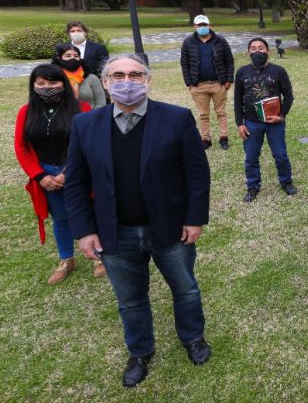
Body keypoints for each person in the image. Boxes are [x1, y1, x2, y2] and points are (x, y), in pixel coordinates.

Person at [64, 53, 212, 388]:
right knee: (130, 299)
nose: (126, 82)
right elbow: (76, 182)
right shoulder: (85, 125)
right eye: (118, 76)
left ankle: (192, 337)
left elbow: (197, 174)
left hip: (170, 228)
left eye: (135, 75)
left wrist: (194, 218)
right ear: (104, 82)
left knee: (186, 289)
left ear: (148, 80)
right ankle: (140, 351)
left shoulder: (176, 118)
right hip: (116, 233)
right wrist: (85, 231)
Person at [13, 64, 96, 284]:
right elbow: (21, 148)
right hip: (46, 174)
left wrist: (69, 172)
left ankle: (99, 256)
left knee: (90, 210)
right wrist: (40, 176)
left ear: (63, 84)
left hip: (78, 171)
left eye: (53, 83)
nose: (46, 87)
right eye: (40, 83)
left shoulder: (82, 108)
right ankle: (67, 259)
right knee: (60, 218)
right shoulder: (26, 111)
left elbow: (89, 144)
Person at [234, 38, 296, 203]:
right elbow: (237, 100)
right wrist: (240, 123)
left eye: (261, 48)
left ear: (268, 51)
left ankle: (286, 181)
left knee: (281, 155)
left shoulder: (279, 71)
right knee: (251, 157)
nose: (257, 51)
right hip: (251, 123)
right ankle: (253, 185)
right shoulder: (241, 72)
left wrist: (282, 115)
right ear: (249, 52)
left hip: (274, 122)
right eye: (253, 48)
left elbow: (289, 96)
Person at [180, 14, 235, 150]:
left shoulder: (220, 41)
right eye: (199, 25)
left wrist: (228, 81)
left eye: (204, 25)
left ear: (209, 25)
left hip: (218, 83)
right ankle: (205, 139)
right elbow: (184, 63)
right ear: (195, 27)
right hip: (198, 85)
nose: (202, 27)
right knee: (203, 114)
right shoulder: (188, 42)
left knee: (221, 113)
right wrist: (190, 84)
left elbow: (229, 61)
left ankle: (224, 138)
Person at [52, 43, 106, 109]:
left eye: (76, 56)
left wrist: (92, 116)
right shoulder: (54, 78)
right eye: (68, 56)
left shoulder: (91, 78)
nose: (73, 58)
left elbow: (101, 102)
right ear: (59, 58)